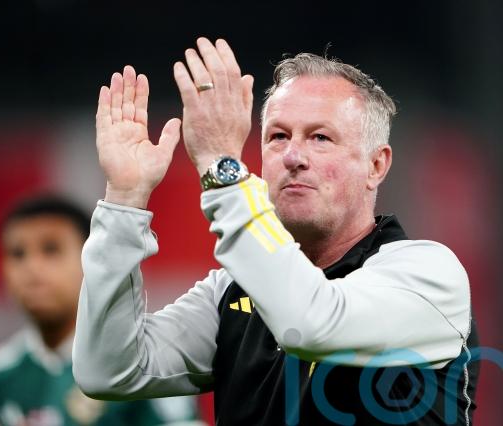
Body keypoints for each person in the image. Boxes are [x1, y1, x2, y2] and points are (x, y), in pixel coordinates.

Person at [73, 37, 479, 425]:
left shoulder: (428, 274)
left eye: (320, 137)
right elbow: (109, 370)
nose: (293, 156)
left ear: (376, 166)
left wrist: (221, 169)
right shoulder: (231, 292)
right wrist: (125, 200)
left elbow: (310, 324)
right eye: (278, 136)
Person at [0, 196, 203, 426]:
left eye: (51, 249)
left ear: (90, 259)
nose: (31, 267)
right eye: (18, 254)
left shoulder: (143, 361)